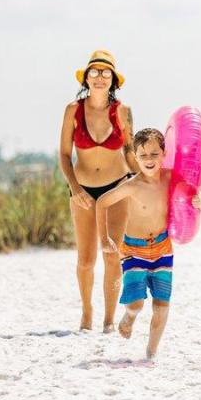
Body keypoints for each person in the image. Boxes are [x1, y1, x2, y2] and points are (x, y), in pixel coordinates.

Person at [97, 128, 200, 360]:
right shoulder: (132, 185)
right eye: (143, 155)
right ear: (134, 157)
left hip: (163, 247)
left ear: (164, 153)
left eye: (154, 154)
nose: (149, 160)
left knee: (162, 304)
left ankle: (151, 353)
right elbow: (102, 203)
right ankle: (129, 317)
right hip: (134, 249)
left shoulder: (170, 177)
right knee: (136, 304)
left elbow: (189, 189)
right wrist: (104, 238)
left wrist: (196, 197)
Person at [57, 50, 138, 332]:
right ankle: (87, 313)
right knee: (86, 259)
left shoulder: (123, 112)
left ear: (114, 79)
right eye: (95, 72)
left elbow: (130, 153)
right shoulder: (73, 110)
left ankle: (108, 319)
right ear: (86, 78)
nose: (100, 77)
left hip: (117, 187)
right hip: (83, 190)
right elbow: (65, 155)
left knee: (112, 254)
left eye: (106, 73)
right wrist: (74, 187)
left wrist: (144, 179)